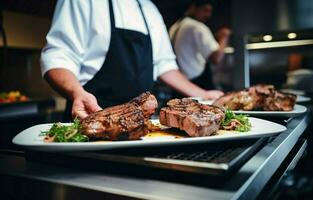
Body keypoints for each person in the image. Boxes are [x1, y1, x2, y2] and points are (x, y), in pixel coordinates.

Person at [40, 0, 224, 120]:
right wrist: (76, 93)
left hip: (141, 125)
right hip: (89, 116)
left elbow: (164, 65)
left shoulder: (149, 9)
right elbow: (58, 55)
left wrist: (203, 94)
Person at [169, 0, 231, 90]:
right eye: (205, 10)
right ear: (193, 7)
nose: (208, 15)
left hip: (179, 84)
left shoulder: (174, 27)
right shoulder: (197, 27)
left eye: (210, 11)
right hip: (198, 83)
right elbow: (216, 58)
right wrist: (224, 37)